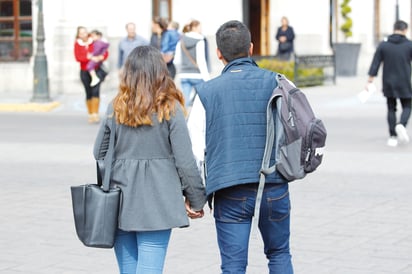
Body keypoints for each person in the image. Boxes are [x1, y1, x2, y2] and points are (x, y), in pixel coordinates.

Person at [187, 20, 294, 274]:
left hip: (229, 188)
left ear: (218, 54)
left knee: (233, 266)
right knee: (279, 254)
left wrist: (194, 196)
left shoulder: (206, 92)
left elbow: (194, 149)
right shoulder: (278, 82)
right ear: (251, 48)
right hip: (274, 184)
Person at [93, 45, 207, 274]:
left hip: (120, 198)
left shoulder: (115, 107)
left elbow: (99, 153)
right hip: (159, 199)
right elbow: (185, 161)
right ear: (160, 71)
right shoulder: (170, 108)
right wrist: (196, 199)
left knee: (128, 270)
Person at [368, 20, 412, 147]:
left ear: (394, 29)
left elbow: (375, 63)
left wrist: (370, 80)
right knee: (408, 106)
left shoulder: (384, 45)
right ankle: (401, 124)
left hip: (388, 82)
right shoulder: (409, 45)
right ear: (405, 30)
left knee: (391, 108)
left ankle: (392, 136)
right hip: (404, 81)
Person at [74, 26, 109, 123]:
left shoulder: (93, 41)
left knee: (96, 90)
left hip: (96, 69)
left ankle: (95, 114)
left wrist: (101, 57)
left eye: (85, 32)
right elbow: (78, 57)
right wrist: (89, 58)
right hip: (84, 71)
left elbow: (104, 50)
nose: (84, 34)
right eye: (81, 33)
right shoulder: (77, 44)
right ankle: (90, 113)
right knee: (88, 92)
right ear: (78, 35)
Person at [174, 20, 210, 107]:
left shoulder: (181, 41)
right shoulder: (200, 40)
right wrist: (207, 77)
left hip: (184, 74)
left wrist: (181, 71)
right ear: (194, 28)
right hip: (197, 74)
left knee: (185, 101)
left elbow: (176, 60)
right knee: (202, 101)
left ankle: (184, 119)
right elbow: (201, 60)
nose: (201, 29)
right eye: (200, 27)